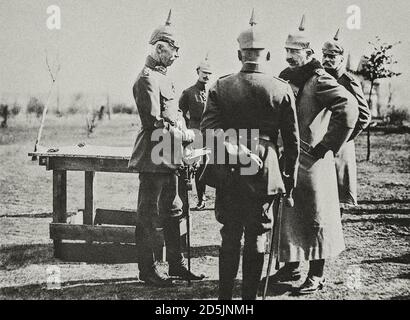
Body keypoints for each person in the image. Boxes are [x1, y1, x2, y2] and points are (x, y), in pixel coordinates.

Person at [201, 10, 300, 300]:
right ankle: (249, 300)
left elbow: (208, 132)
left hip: (230, 168)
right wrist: (288, 180)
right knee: (257, 233)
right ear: (266, 55)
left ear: (239, 53)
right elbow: (292, 143)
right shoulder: (281, 89)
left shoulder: (220, 85)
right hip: (265, 170)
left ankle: (224, 299)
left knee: (230, 232)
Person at [271, 15, 359, 294]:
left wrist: (327, 144)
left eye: (294, 52)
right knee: (289, 216)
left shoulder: (319, 79)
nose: (288, 57)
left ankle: (316, 275)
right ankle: (290, 266)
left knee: (316, 217)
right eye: (286, 51)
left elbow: (349, 109)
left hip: (313, 162)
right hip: (289, 160)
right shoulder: (285, 78)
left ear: (309, 54)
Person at [128, 10, 204, 286]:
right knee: (148, 216)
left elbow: (174, 114)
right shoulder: (147, 78)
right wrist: (183, 135)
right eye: (174, 50)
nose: (177, 55)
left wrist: (185, 135)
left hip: (170, 156)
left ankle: (176, 265)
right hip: (152, 158)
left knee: (173, 212)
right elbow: (153, 123)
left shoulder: (164, 76)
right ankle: (147, 271)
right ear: (160, 49)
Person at [322, 29, 371, 209]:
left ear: (341, 59)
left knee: (337, 198)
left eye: (332, 57)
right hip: (322, 143)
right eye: (325, 56)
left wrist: (344, 136)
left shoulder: (348, 81)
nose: (327, 60)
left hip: (340, 147)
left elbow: (364, 115)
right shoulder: (321, 78)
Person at [179, 55, 213, 210]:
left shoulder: (213, 92)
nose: (206, 75)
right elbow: (179, 112)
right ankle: (201, 198)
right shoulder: (189, 93)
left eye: (209, 73)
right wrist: (185, 130)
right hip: (195, 134)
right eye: (204, 72)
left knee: (215, 165)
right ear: (197, 71)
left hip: (211, 134)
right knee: (198, 166)